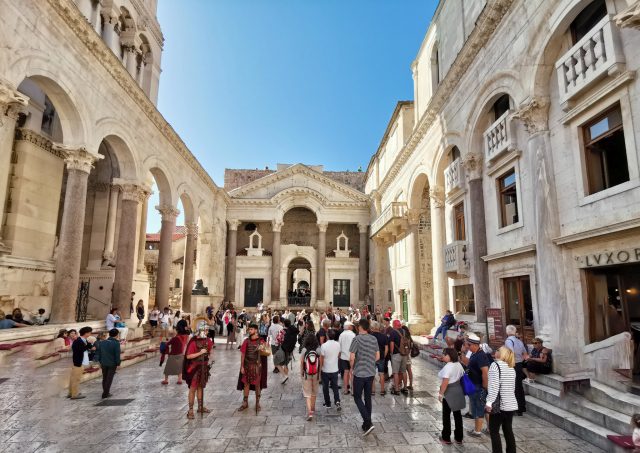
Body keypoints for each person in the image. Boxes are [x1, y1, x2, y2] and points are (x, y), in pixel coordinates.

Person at [485, 346, 518, 453]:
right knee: (508, 430)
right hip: (511, 404)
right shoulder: (511, 368)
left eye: (498, 350)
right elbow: (511, 388)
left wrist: (489, 402)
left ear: (502, 354)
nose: (496, 351)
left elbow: (493, 387)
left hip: (499, 405)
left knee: (494, 431)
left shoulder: (495, 365)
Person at [461, 332, 490, 437]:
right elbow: (466, 363)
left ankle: (477, 431)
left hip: (479, 386)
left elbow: (485, 373)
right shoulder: (474, 353)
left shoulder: (481, 356)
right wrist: (463, 352)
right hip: (474, 385)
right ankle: (489, 428)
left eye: (468, 345)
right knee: (480, 407)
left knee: (479, 408)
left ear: (474, 345)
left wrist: (484, 387)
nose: (467, 347)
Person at [183, 324, 213, 419]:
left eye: (208, 330)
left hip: (204, 367)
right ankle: (190, 410)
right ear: (200, 330)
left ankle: (200, 407)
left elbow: (210, 352)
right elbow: (188, 356)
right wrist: (200, 352)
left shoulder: (208, 341)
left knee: (200, 387)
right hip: (194, 368)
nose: (208, 332)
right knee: (193, 388)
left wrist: (210, 357)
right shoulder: (193, 342)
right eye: (206, 330)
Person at [237, 323, 268, 414]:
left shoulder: (261, 341)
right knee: (246, 384)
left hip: (257, 366)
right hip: (247, 365)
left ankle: (257, 402)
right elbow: (242, 354)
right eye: (249, 329)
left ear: (256, 330)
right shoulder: (246, 341)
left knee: (257, 385)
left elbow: (266, 352)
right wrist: (242, 366)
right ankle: (245, 402)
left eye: (251, 329)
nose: (249, 331)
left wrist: (262, 348)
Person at [438, 348, 465, 445]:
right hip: (458, 390)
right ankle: (459, 438)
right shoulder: (458, 364)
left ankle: (446, 437)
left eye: (444, 354)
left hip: (449, 392)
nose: (443, 356)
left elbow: (445, 382)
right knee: (457, 415)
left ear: (450, 356)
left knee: (446, 415)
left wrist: (441, 394)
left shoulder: (448, 366)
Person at [505, 325, 527, 415]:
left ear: (507, 332)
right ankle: (521, 408)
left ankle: (513, 408)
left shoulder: (508, 341)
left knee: (512, 386)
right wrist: (520, 360)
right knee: (519, 386)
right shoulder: (519, 341)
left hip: (512, 365)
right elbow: (525, 353)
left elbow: (511, 352)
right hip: (519, 365)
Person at [68, 326, 94, 399]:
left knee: (73, 378)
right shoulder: (78, 341)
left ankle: (71, 393)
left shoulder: (84, 340)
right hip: (78, 362)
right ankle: (74, 395)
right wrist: (86, 346)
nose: (90, 334)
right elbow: (79, 350)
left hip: (80, 362)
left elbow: (89, 346)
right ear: (86, 333)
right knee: (76, 379)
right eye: (90, 332)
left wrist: (89, 345)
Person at [320, 329, 341, 411]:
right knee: (335, 386)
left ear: (327, 336)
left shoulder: (324, 346)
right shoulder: (338, 344)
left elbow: (322, 359)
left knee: (325, 387)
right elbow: (339, 355)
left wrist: (320, 370)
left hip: (325, 369)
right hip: (334, 369)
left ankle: (328, 403)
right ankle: (337, 401)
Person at [300, 332, 320, 420]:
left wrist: (301, 372)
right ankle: (313, 408)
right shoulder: (318, 349)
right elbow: (321, 362)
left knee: (307, 393)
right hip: (316, 373)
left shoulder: (304, 349)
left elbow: (301, 362)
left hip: (306, 374)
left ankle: (310, 413)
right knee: (314, 392)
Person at [98, 328, 121, 399]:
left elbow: (99, 353)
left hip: (103, 363)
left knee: (105, 378)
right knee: (109, 379)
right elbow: (117, 355)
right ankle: (105, 393)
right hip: (112, 363)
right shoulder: (116, 343)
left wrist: (100, 361)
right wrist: (118, 364)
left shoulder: (102, 342)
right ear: (117, 335)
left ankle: (106, 391)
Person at [389, 319, 410, 395]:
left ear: (394, 325)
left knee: (395, 372)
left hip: (396, 354)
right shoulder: (405, 332)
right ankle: (405, 388)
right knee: (404, 371)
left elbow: (391, 344)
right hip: (404, 354)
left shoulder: (393, 332)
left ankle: (397, 389)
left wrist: (391, 353)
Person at [370, 321, 389, 396]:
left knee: (372, 374)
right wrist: (383, 356)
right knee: (381, 374)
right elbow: (386, 348)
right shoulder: (384, 336)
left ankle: (373, 390)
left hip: (372, 357)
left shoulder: (370, 336)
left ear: (372, 328)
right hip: (381, 357)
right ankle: (382, 390)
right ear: (378, 328)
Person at [339, 321, 356, 394]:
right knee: (352, 372)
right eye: (351, 326)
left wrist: (339, 356)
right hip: (351, 356)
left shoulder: (341, 335)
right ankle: (353, 390)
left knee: (346, 372)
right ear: (349, 327)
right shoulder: (353, 335)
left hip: (343, 356)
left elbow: (339, 346)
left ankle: (346, 389)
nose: (352, 327)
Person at [401, 325, 415, 390]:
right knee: (409, 370)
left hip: (404, 355)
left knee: (403, 371)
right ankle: (411, 384)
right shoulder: (409, 337)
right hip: (408, 355)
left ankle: (404, 386)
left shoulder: (404, 337)